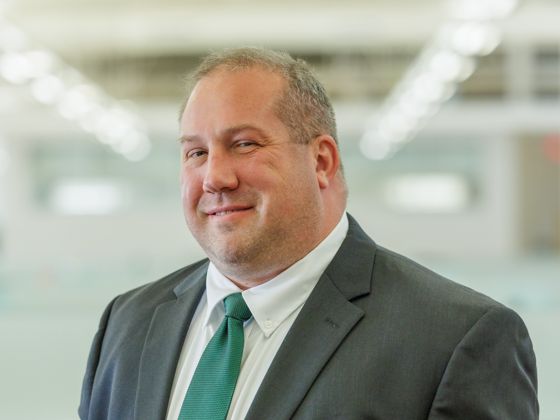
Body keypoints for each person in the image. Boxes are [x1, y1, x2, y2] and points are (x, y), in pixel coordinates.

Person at [79, 47, 538, 420]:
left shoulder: (456, 340)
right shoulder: (128, 323)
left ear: (321, 161)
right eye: (195, 153)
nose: (214, 177)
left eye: (244, 144)